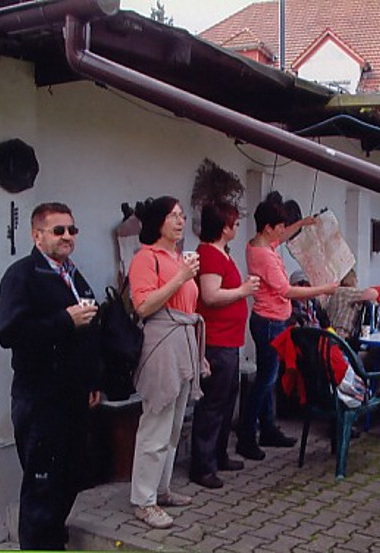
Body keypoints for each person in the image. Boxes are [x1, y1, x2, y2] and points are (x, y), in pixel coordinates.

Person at [0, 202, 99, 550]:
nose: (68, 236)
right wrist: (63, 321)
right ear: (36, 235)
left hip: (72, 396)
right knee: (42, 486)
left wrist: (92, 381)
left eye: (72, 230)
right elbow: (10, 333)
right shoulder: (21, 274)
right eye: (59, 230)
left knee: (69, 478)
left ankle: (53, 540)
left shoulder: (71, 274)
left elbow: (85, 334)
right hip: (41, 400)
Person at [236, 191, 338, 461]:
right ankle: (247, 436)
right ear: (268, 227)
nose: (282, 231)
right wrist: (323, 288)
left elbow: (280, 237)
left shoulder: (258, 243)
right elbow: (287, 291)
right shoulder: (266, 257)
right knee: (265, 380)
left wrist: (302, 224)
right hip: (270, 321)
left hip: (269, 319)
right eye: (279, 226)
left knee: (268, 379)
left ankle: (268, 429)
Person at [129, 196, 206, 529]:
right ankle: (143, 501)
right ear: (158, 222)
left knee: (174, 426)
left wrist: (198, 355)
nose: (180, 221)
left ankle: (161, 489)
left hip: (183, 340)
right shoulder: (146, 258)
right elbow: (143, 306)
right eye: (173, 216)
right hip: (161, 342)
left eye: (182, 215)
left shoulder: (177, 258)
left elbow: (188, 308)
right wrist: (181, 276)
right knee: (156, 423)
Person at [190, 201, 260, 489]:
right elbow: (210, 296)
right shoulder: (209, 254)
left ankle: (218, 454)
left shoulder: (221, 254)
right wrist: (243, 291)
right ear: (224, 227)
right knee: (213, 404)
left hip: (229, 339)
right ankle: (202, 465)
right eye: (234, 222)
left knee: (226, 399)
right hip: (216, 340)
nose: (237, 226)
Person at [324, 268, 380, 341]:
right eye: (355, 278)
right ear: (352, 279)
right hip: (341, 337)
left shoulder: (332, 294)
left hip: (328, 335)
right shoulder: (348, 292)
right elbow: (373, 293)